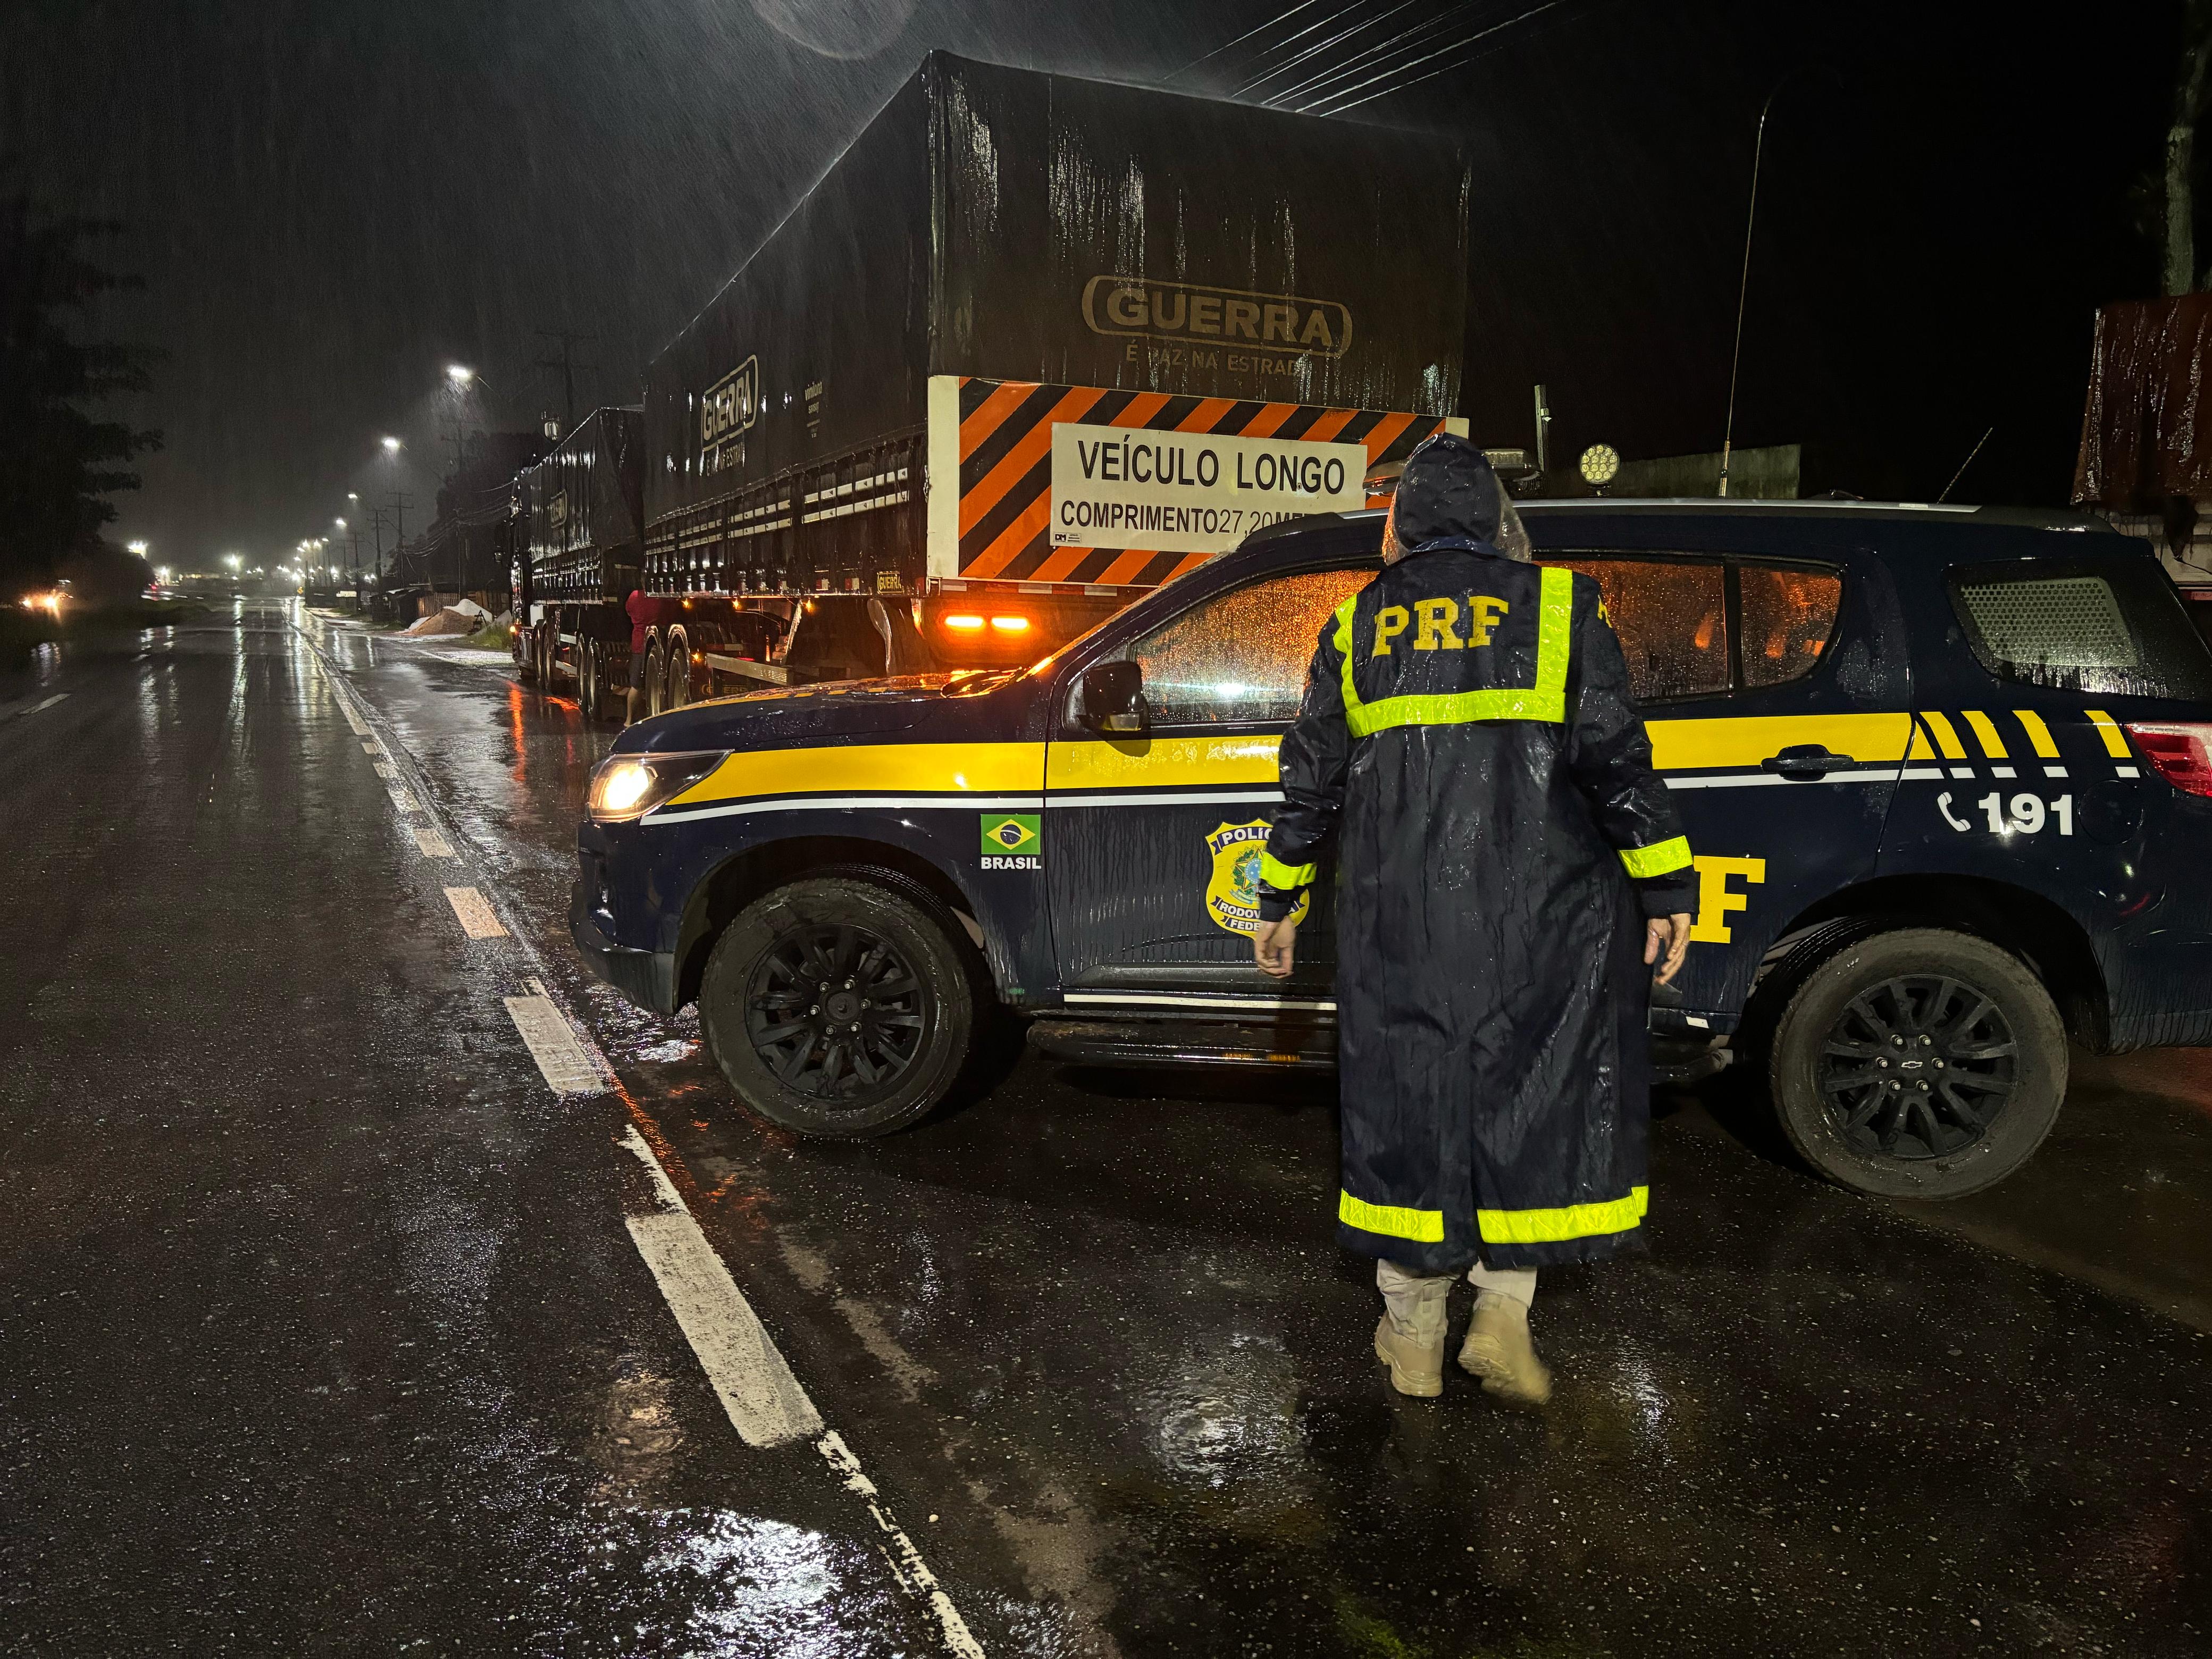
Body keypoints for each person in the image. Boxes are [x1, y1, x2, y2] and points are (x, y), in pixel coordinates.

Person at [1252, 434, 1695, 1408]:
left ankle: (1412, 1339)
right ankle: (1501, 1313)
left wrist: (1277, 897)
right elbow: (1617, 762)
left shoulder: (1354, 625)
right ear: (1499, 520)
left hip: (1399, 927)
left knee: (1410, 1108)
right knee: (1525, 1094)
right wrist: (1666, 889)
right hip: (1544, 921)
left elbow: (1312, 781)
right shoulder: (1565, 608)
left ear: (1398, 527)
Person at [624, 585, 655, 726]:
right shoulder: (659, 599)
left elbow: (628, 611)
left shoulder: (634, 597)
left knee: (636, 685)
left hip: (639, 644)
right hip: (653, 643)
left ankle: (629, 721)